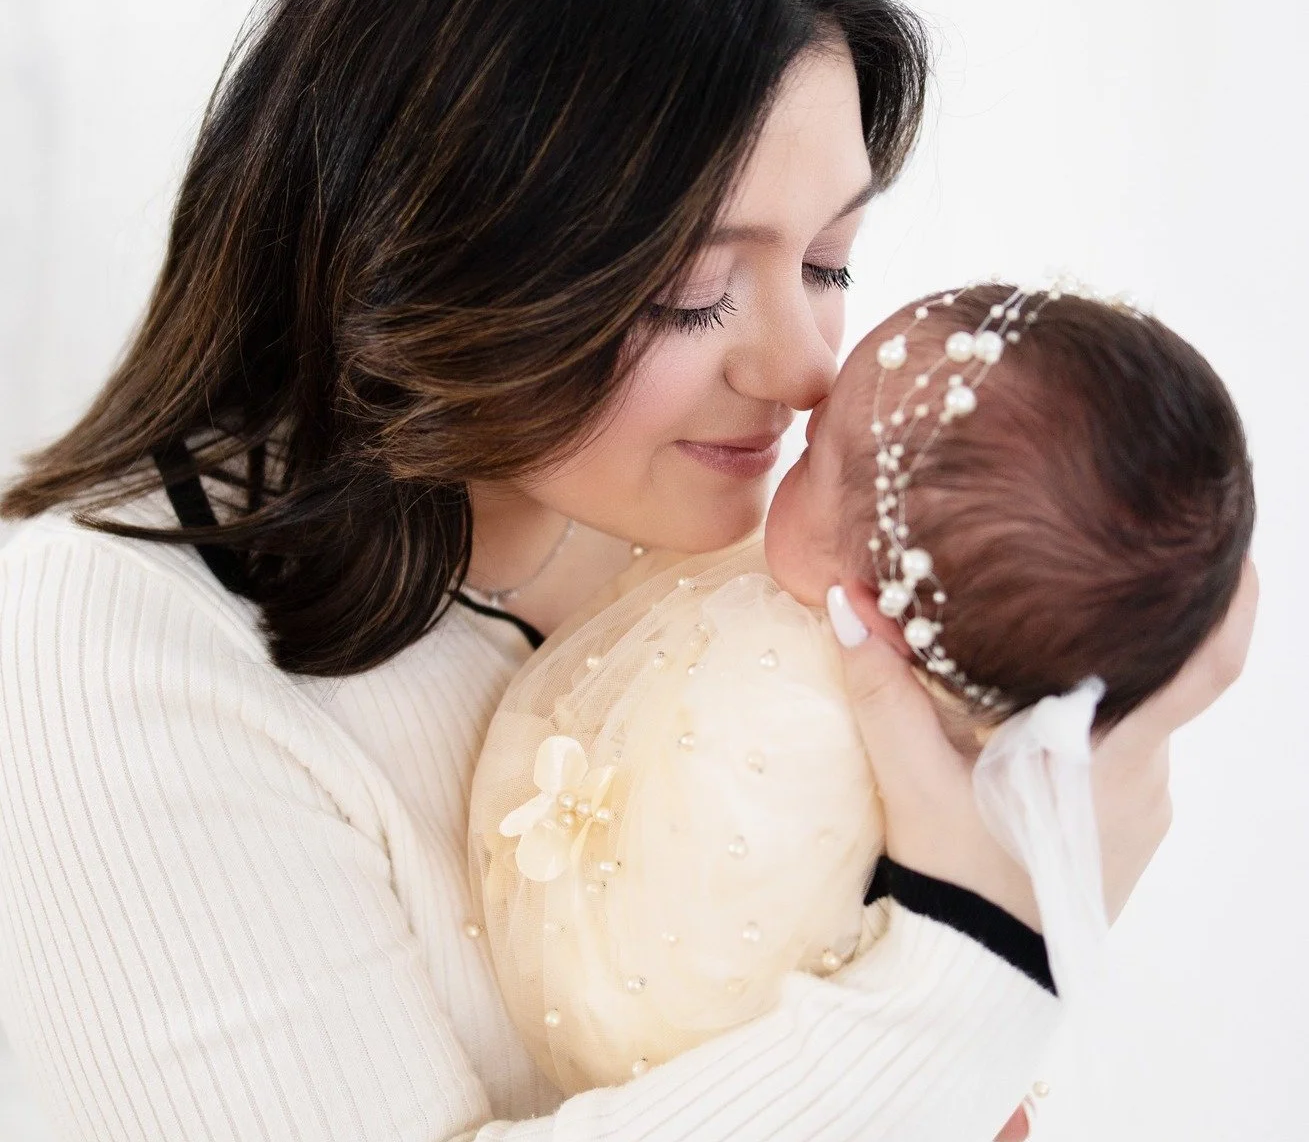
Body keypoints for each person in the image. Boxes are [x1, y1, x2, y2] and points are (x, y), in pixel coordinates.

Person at [0, 0, 1254, 1142]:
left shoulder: (748, 551)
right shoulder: (111, 641)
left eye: (830, 260)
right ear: (432, 237)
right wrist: (978, 961)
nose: (805, 370)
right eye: (692, 288)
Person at [469, 282, 1256, 1094]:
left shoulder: (776, 710)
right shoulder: (985, 751)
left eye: (814, 456)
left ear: (872, 608)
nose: (809, 395)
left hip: (639, 1003)